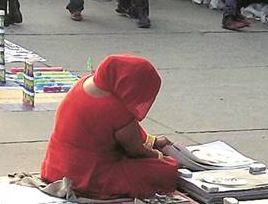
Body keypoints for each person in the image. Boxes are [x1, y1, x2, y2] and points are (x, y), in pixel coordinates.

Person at [41, 54, 179, 199]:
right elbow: (137, 151)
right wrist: (159, 156)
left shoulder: (84, 83)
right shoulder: (116, 108)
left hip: (54, 166)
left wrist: (153, 141)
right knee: (166, 170)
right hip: (85, 176)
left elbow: (124, 128)